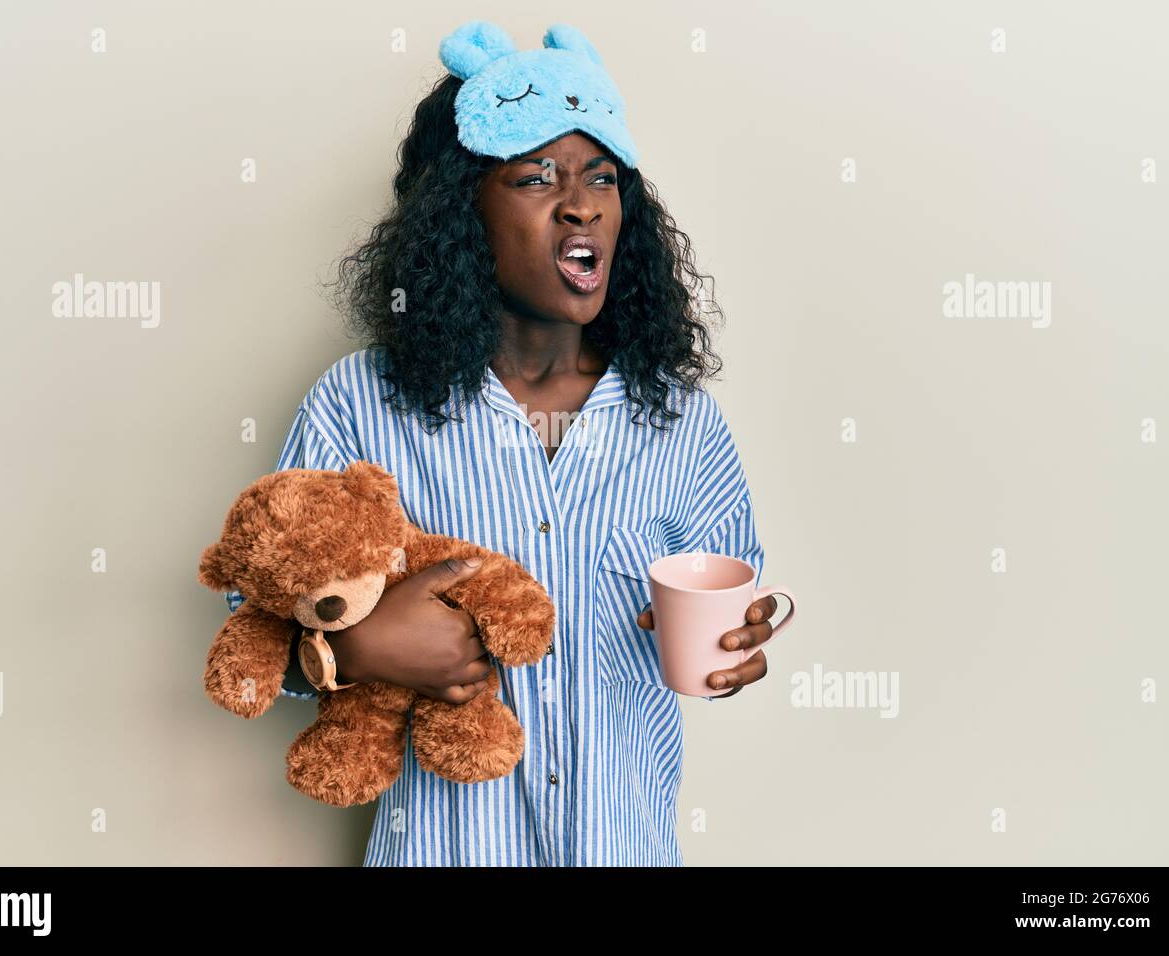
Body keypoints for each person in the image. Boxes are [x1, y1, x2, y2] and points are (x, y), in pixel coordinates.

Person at [222, 20, 780, 866]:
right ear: (463, 215)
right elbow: (251, 619)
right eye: (536, 177)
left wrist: (738, 653)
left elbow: (727, 608)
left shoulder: (681, 422)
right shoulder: (361, 404)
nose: (581, 201)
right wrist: (357, 648)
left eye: (601, 175)